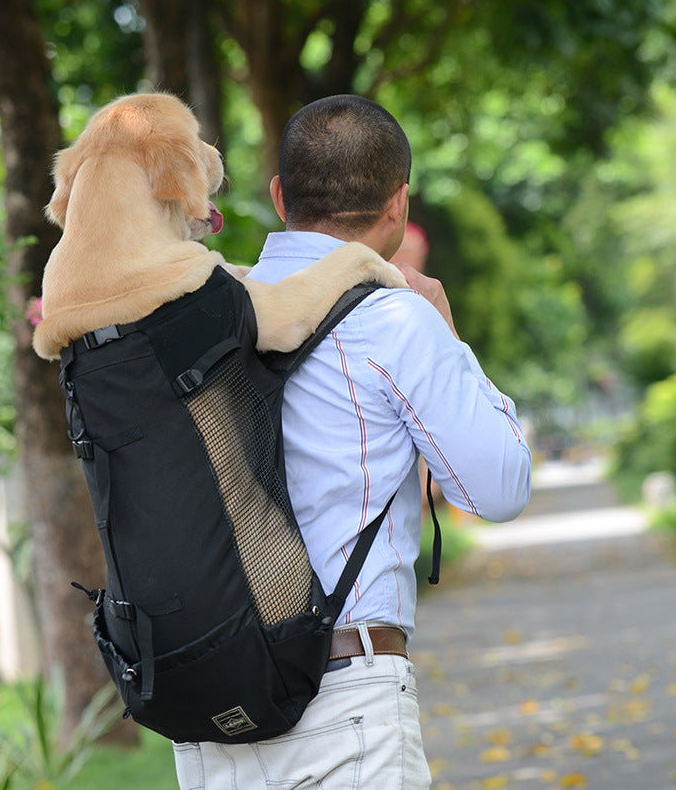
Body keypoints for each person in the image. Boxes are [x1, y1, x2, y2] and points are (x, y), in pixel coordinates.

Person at [172, 95, 532, 790]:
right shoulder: (397, 318)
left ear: (279, 196)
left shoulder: (210, 308)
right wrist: (448, 337)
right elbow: (499, 488)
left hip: (211, 714)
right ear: (398, 204)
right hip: (344, 702)